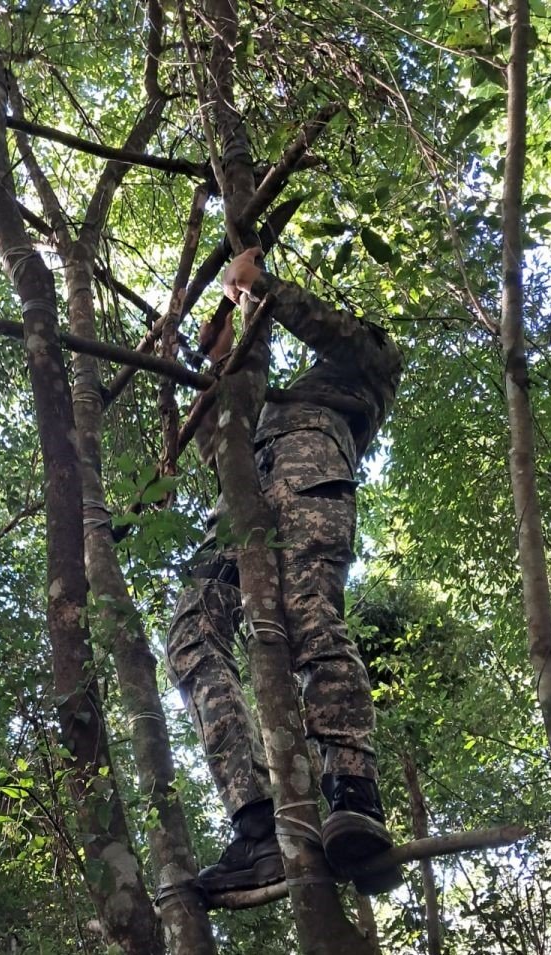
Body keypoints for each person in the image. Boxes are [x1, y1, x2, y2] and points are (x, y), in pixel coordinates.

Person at [165, 248, 404, 897]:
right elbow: (220, 446)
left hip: (307, 475)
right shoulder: (265, 404)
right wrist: (220, 365)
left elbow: (347, 338)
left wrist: (260, 289)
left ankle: (354, 795)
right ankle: (255, 826)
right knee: (189, 635)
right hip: (238, 504)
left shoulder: (366, 366)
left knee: (308, 617)